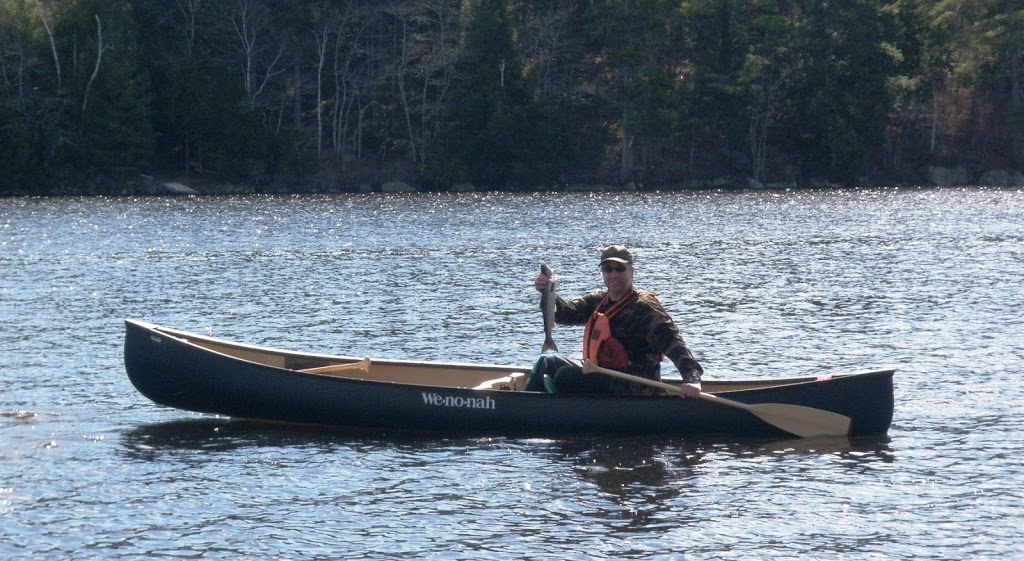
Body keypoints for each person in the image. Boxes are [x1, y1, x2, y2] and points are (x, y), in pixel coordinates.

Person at [529, 245, 703, 398]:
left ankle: (561, 414)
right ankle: (529, 407)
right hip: (602, 373)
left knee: (565, 376)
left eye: (620, 268)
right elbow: (564, 314)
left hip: (636, 385)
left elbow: (674, 343)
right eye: (608, 269)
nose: (613, 274)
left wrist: (692, 379)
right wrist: (547, 292)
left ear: (632, 272)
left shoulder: (645, 308)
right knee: (546, 363)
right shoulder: (598, 301)